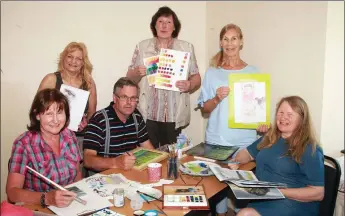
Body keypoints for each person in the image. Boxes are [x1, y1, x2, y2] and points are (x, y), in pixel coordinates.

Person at [197, 23, 268, 216]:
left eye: (234, 38)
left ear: (241, 41)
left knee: (242, 199)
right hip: (217, 142)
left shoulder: (253, 71)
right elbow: (205, 108)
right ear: (221, 43)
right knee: (217, 197)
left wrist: (262, 125)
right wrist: (217, 98)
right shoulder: (212, 72)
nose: (230, 43)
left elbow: (259, 108)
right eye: (226, 39)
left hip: (245, 144)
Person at [230, 96, 324, 216]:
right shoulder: (270, 138)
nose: (283, 117)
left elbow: (318, 193)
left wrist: (280, 192)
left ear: (302, 119)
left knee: (245, 214)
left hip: (294, 203)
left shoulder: (310, 149)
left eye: (290, 114)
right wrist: (237, 161)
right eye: (280, 112)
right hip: (264, 198)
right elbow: (247, 154)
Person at [126, 6, 201, 149]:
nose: (164, 26)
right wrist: (136, 72)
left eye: (168, 22)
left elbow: (196, 77)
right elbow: (129, 79)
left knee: (172, 155)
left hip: (174, 114)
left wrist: (189, 85)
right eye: (160, 21)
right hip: (147, 114)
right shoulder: (142, 47)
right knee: (149, 157)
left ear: (174, 27)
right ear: (154, 25)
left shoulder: (186, 48)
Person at [6, 88, 82, 208]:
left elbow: (77, 173)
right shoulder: (24, 144)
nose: (56, 120)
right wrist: (47, 198)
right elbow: (12, 193)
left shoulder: (70, 136)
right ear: (37, 115)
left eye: (59, 112)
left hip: (71, 205)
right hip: (40, 206)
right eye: (49, 114)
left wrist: (80, 198)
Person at [83, 77, 154, 173]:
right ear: (115, 98)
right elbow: (87, 160)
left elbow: (148, 148)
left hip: (130, 174)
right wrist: (116, 162)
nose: (129, 103)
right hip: (105, 177)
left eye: (133, 98)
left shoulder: (136, 116)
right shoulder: (99, 120)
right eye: (124, 97)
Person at [38, 42, 97, 132]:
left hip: (78, 136)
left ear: (83, 63)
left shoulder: (89, 83)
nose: (73, 61)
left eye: (78, 59)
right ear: (63, 58)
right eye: (70, 57)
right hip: (51, 133)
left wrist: (86, 123)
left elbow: (91, 113)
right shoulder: (51, 80)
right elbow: (37, 108)